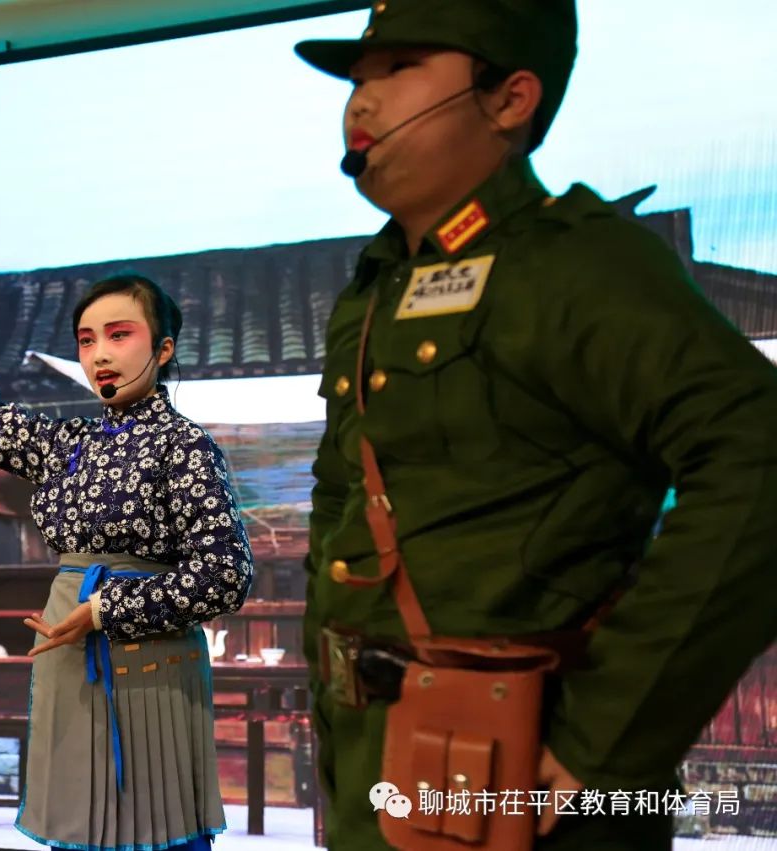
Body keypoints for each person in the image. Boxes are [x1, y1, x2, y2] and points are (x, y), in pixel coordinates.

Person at [293, 1, 777, 849]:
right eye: (358, 77)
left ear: (511, 98)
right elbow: (342, 507)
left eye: (400, 68)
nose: (361, 101)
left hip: (527, 782)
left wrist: (606, 742)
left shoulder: (571, 263)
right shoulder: (374, 289)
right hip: (390, 768)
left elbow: (759, 457)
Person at [0, 226, 254, 851]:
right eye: (87, 339)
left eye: (120, 335)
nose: (100, 353)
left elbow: (224, 576)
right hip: (69, 650)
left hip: (149, 657)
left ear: (164, 348)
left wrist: (106, 609)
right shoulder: (68, 444)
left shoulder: (185, 445)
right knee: (76, 826)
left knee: (157, 828)